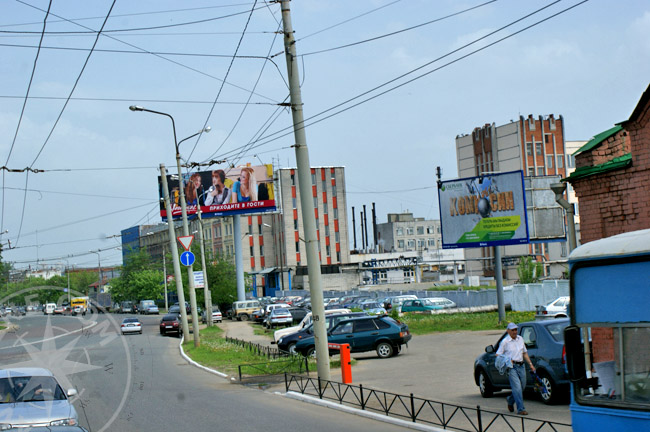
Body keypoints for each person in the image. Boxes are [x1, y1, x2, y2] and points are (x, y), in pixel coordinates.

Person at [496, 322, 535, 415]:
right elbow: (498, 355)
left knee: (522, 386)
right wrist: (507, 360)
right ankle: (521, 409)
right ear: (508, 331)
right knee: (517, 388)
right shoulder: (505, 342)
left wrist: (530, 364)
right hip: (511, 367)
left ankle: (510, 399)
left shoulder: (520, 339)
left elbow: (524, 352)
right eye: (512, 330)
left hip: (521, 365)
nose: (514, 332)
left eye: (516, 330)